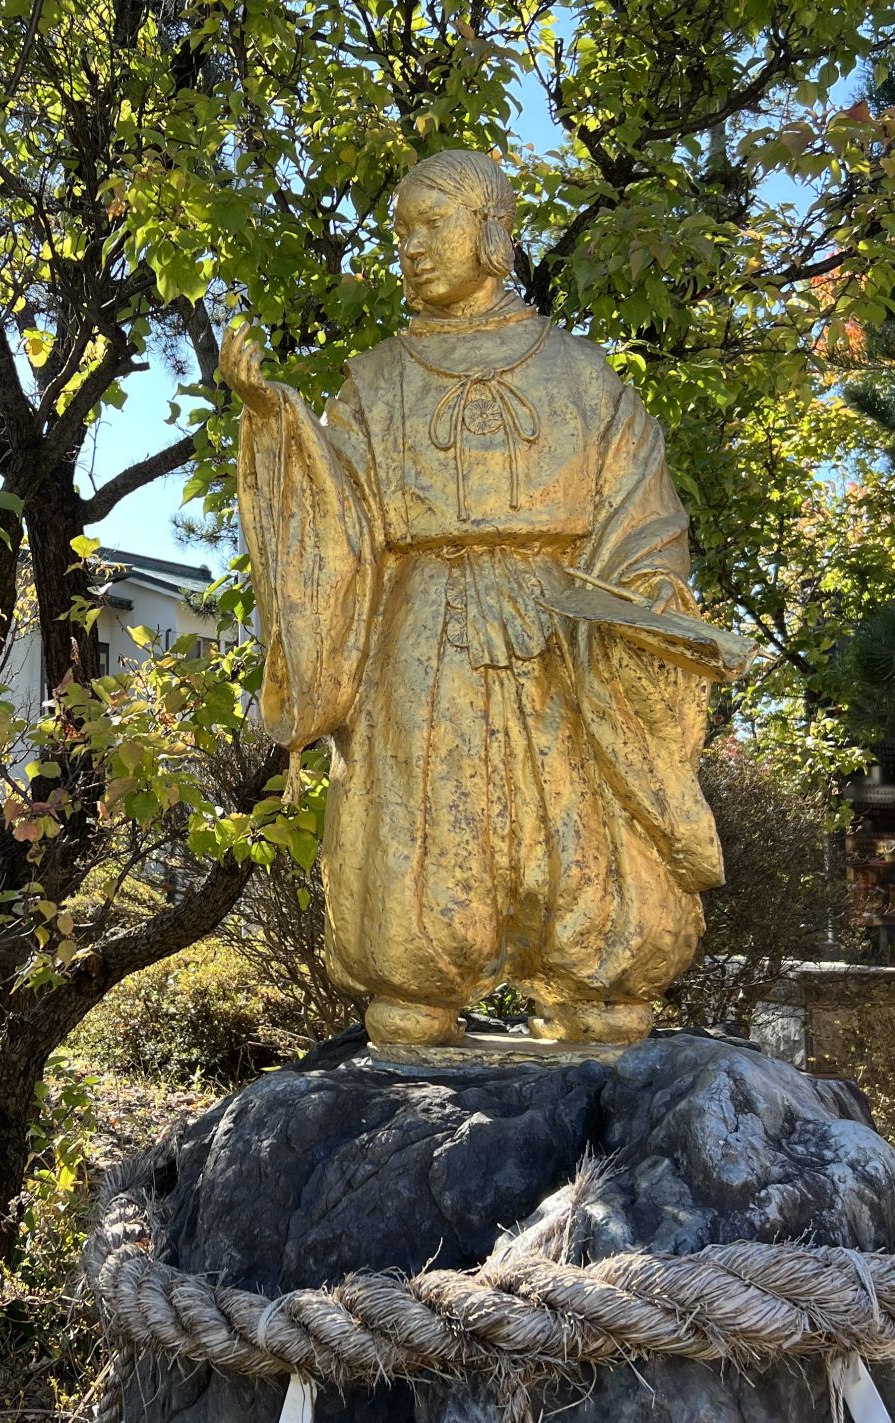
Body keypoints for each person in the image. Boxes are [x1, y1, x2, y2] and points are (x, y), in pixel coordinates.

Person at [222, 147, 749, 1047]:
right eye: (401, 233)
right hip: (419, 633)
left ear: (492, 231)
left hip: (565, 634)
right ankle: (417, 985)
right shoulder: (377, 379)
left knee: (579, 818)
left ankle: (599, 985)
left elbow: (644, 517)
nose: (413, 249)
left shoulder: (584, 376)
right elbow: (336, 524)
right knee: (420, 817)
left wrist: (643, 604)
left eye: (433, 225)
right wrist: (276, 425)